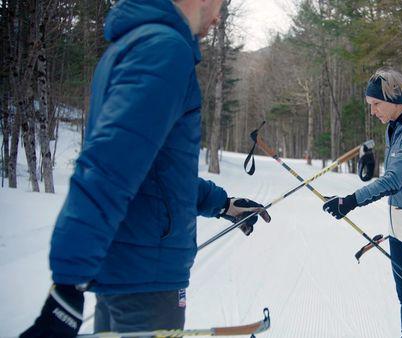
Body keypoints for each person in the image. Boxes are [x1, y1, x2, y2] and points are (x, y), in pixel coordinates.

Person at [20, 0, 271, 337]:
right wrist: (68, 283)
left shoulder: (135, 46)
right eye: (220, 3)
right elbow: (110, 165)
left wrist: (223, 205)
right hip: (146, 278)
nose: (218, 16)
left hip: (128, 272)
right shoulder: (164, 50)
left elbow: (154, 172)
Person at [323, 67, 402, 338]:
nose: (372, 111)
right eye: (370, 105)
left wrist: (351, 201)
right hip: (399, 227)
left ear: (393, 99)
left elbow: (394, 180)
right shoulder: (396, 127)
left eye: (376, 104)